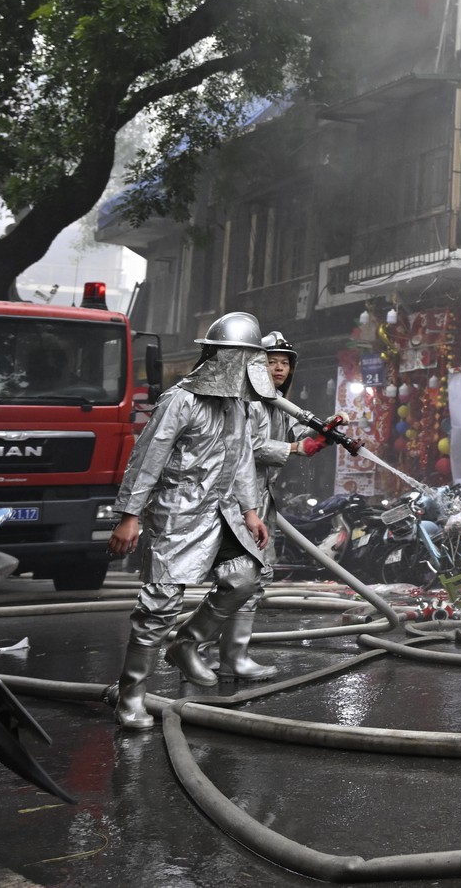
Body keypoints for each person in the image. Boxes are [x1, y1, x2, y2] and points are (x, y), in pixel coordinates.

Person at [104, 312, 273, 730]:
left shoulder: (238, 405)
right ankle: (131, 696)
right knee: (158, 608)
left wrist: (250, 511)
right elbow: (148, 458)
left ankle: (188, 643)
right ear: (218, 355)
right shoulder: (180, 400)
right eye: (243, 355)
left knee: (245, 576)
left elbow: (242, 459)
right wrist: (129, 516)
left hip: (222, 512)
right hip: (176, 514)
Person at [219, 331, 307, 680]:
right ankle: (210, 653)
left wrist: (329, 433)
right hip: (237, 502)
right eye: (272, 362)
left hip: (261, 501)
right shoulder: (249, 403)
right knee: (241, 579)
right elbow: (251, 447)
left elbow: (300, 429)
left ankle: (221, 655)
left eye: (285, 363)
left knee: (252, 580)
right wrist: (296, 450)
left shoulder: (278, 403)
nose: (279, 368)